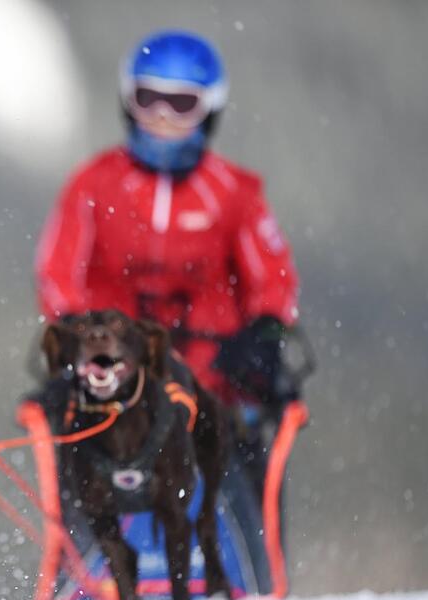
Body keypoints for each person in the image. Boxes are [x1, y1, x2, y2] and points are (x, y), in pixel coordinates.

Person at [35, 30, 299, 406]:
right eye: (148, 100)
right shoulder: (93, 185)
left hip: (216, 382)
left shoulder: (235, 193)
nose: (162, 117)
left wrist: (266, 330)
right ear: (128, 102)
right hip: (110, 381)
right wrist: (76, 328)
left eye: (181, 104)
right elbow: (57, 271)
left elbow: (273, 277)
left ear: (210, 109)